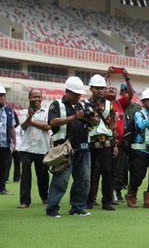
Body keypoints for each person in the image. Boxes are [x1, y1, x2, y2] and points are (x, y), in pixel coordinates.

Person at [46, 77, 95, 217]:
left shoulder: (83, 106)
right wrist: (73, 117)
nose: (77, 97)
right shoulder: (56, 104)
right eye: (75, 94)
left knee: (84, 180)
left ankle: (78, 208)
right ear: (66, 91)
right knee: (61, 180)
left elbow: (92, 124)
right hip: (64, 149)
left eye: (79, 94)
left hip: (83, 147)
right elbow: (53, 122)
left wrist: (92, 119)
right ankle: (52, 209)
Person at [86, 74, 118, 211]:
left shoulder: (109, 104)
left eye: (102, 88)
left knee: (108, 172)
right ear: (91, 88)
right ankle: (89, 200)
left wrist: (115, 143)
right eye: (97, 88)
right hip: (91, 142)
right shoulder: (85, 104)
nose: (100, 90)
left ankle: (107, 201)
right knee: (90, 172)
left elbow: (113, 124)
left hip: (107, 143)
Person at [104, 67, 134, 203]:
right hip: (103, 142)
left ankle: (116, 193)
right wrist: (107, 76)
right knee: (103, 170)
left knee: (118, 171)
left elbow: (131, 94)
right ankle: (99, 196)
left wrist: (127, 78)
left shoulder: (119, 103)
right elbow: (96, 89)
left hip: (120, 144)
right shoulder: (101, 104)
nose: (111, 89)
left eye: (113, 89)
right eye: (108, 88)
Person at [17, 89, 50, 208]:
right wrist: (29, 118)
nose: (36, 99)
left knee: (43, 175)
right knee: (25, 174)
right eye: (34, 97)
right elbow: (23, 126)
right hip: (26, 148)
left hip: (42, 148)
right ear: (29, 98)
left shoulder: (47, 112)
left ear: (42, 98)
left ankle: (45, 197)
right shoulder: (23, 112)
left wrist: (32, 121)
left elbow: (48, 126)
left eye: (38, 97)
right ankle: (25, 201)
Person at [0, 85, 16, 195]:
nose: (1, 98)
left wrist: (14, 142)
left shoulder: (9, 110)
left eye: (2, 95)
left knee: (3, 167)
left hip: (5, 144)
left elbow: (12, 127)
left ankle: (2, 188)